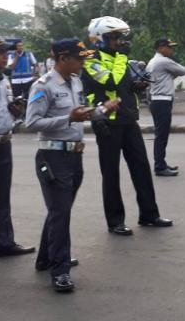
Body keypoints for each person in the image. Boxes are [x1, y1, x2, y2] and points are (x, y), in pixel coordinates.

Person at [25, 39, 121, 292]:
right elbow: (31, 123)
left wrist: (101, 109)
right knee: (61, 212)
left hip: (74, 156)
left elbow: (81, 115)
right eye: (79, 58)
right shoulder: (43, 85)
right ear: (63, 58)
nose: (83, 62)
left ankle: (47, 258)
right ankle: (60, 270)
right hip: (53, 156)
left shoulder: (75, 81)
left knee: (60, 210)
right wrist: (67, 118)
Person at [82, 16, 172, 236]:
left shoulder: (116, 57)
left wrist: (136, 85)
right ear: (100, 39)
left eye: (119, 37)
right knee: (111, 174)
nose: (119, 42)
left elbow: (122, 84)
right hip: (107, 123)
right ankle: (115, 221)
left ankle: (149, 214)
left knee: (141, 168)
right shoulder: (90, 60)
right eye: (114, 38)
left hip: (128, 120)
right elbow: (109, 81)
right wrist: (122, 57)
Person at [0, 35, 35, 272]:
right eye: (0, 51)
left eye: (8, 51)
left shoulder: (2, 79)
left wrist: (15, 111)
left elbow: (5, 111)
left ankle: (3, 244)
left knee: (0, 198)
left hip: (4, 144)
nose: (6, 56)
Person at [146, 38, 185, 176]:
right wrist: (172, 73)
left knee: (161, 135)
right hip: (162, 101)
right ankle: (159, 166)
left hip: (156, 101)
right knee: (161, 136)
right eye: (169, 47)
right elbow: (183, 70)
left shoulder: (152, 62)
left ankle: (161, 163)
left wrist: (170, 75)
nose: (171, 50)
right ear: (161, 48)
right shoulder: (163, 61)